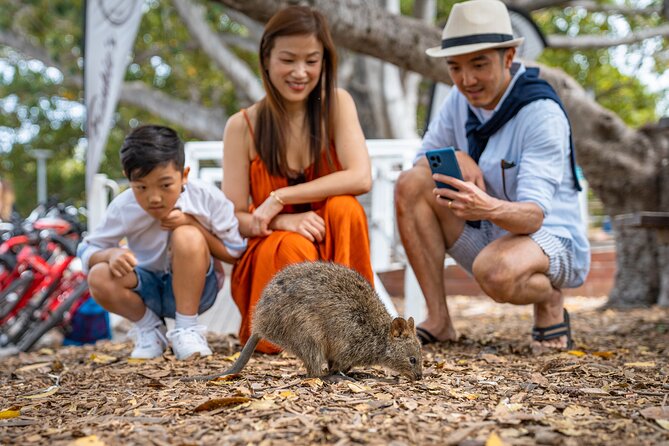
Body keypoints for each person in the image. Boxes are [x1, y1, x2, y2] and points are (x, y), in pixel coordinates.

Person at [395, 0, 590, 354]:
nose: (467, 80)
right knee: (410, 185)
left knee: (495, 272)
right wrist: (456, 154)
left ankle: (549, 298)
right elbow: (420, 163)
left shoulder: (540, 113)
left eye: (479, 64)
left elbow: (533, 215)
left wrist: (485, 208)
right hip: (493, 231)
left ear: (509, 57)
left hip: (551, 238)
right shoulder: (459, 99)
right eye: (455, 67)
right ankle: (438, 320)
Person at [223, 5, 374, 354]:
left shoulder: (337, 103)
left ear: (325, 61)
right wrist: (285, 220)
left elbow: (360, 177)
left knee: (345, 208)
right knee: (295, 248)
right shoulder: (242, 126)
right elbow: (234, 218)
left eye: (312, 60)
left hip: (330, 242)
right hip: (274, 246)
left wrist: (280, 196)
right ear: (266, 59)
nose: (300, 72)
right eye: (288, 60)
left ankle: (355, 332)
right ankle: (291, 340)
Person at [78, 125, 246, 360]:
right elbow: (87, 248)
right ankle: (151, 329)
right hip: (146, 288)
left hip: (199, 289)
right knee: (98, 275)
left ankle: (187, 328)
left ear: (184, 175)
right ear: (129, 181)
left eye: (165, 185)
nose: (154, 197)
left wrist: (193, 223)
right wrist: (110, 255)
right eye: (141, 187)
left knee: (187, 235)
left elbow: (235, 252)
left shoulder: (207, 198)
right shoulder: (123, 206)